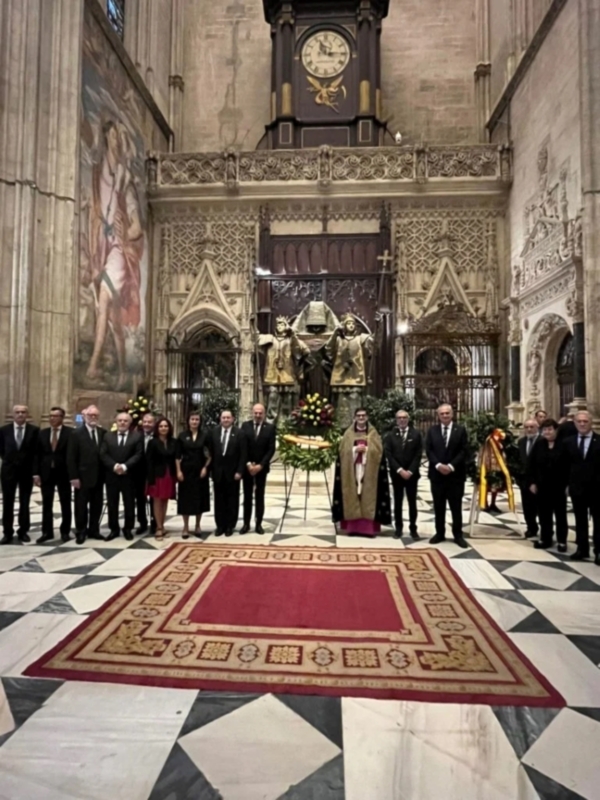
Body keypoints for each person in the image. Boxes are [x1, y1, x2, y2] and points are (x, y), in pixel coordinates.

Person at [332, 408, 391, 536]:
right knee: (353, 495)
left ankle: (368, 529)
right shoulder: (348, 433)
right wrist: (354, 450)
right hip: (352, 469)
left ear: (367, 417)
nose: (361, 418)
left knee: (367, 495)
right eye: (358, 416)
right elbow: (343, 452)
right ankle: (352, 528)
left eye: (363, 415)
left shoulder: (373, 433)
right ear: (354, 418)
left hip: (368, 469)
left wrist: (367, 450)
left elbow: (379, 452)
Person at [425, 404, 469, 548]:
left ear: (452, 414)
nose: (444, 416)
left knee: (456, 507)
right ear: (438, 415)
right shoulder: (432, 431)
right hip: (437, 475)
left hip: (455, 475)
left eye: (447, 413)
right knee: (439, 506)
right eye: (442, 413)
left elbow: (464, 451)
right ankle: (439, 533)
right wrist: (438, 465)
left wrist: (450, 466)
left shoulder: (460, 430)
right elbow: (429, 450)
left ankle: (458, 535)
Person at [563, 411, 600, 564]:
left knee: (599, 521)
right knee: (580, 520)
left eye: (585, 421)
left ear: (591, 422)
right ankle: (582, 549)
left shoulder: (599, 440)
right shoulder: (568, 442)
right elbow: (564, 466)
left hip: (598, 488)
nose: (582, 424)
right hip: (577, 488)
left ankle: (599, 551)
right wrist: (566, 485)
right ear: (575, 423)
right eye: (579, 421)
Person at [100, 412, 143, 541]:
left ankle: (128, 529)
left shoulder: (136, 436)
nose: (122, 423)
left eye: (125, 421)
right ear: (116, 422)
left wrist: (124, 467)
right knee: (112, 503)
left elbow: (138, 454)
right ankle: (114, 529)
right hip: (112, 475)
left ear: (130, 423)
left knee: (129, 503)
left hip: (129, 475)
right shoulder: (107, 436)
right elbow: (103, 454)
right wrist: (114, 466)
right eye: (120, 420)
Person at [527, 419, 568, 551]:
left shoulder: (564, 445)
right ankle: (545, 538)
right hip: (542, 486)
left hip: (559, 486)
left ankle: (562, 541)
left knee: (560, 515)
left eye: (550, 429)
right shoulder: (539, 445)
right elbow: (531, 465)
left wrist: (568, 485)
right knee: (544, 514)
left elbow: (569, 466)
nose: (547, 432)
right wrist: (532, 482)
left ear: (556, 430)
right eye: (544, 429)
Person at [0, 404, 39, 544]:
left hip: (26, 472)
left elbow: (36, 453)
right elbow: (2, 451)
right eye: (18, 412)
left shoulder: (34, 431)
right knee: (7, 502)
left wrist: (35, 473)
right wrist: (10, 461)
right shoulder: (4, 430)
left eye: (23, 412)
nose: (20, 414)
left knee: (25, 502)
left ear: (27, 414)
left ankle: (23, 531)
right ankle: (7, 532)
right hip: (8, 471)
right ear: (13, 414)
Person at [67, 405, 106, 545]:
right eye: (90, 415)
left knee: (97, 505)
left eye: (95, 415)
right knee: (81, 506)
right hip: (82, 478)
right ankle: (81, 531)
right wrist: (73, 477)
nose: (93, 417)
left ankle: (94, 530)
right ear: (84, 417)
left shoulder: (103, 432)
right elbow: (71, 457)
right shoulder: (76, 434)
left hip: (99, 477)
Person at [33, 406, 73, 543]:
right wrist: (36, 473)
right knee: (47, 503)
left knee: (65, 503)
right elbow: (37, 455)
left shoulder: (70, 433)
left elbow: (73, 456)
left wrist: (74, 475)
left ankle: (65, 531)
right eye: (50, 416)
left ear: (62, 418)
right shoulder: (42, 433)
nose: (52, 418)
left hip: (64, 473)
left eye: (55, 416)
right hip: (46, 473)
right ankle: (47, 532)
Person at [207, 409, 246, 536]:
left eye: (228, 418)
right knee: (218, 500)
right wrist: (210, 470)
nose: (226, 420)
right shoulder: (214, 432)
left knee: (232, 500)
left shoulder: (239, 433)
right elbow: (210, 454)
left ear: (233, 419)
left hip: (233, 473)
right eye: (223, 417)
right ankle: (220, 526)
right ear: (220, 419)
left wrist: (240, 471)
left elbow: (243, 454)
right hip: (218, 473)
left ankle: (230, 525)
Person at [384, 409, 422, 540]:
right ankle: (398, 528)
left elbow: (418, 454)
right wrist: (400, 470)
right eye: (399, 417)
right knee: (398, 501)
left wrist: (410, 471)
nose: (402, 420)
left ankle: (413, 528)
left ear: (408, 419)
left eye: (404, 417)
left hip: (412, 475)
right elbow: (388, 454)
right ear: (396, 420)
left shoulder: (416, 434)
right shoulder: (390, 436)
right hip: (397, 475)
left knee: (412, 502)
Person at [240, 403, 276, 534]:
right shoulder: (245, 426)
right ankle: (246, 524)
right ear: (252, 413)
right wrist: (249, 464)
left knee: (260, 496)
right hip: (247, 468)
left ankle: (259, 524)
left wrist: (261, 465)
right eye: (256, 413)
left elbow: (271, 449)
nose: (258, 415)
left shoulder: (270, 428)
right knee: (247, 497)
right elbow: (243, 446)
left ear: (264, 414)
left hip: (262, 468)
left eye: (260, 413)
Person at [175, 410, 211, 539]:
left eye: (197, 419)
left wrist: (205, 468)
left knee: (199, 498)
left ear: (200, 421)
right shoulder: (182, 436)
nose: (195, 421)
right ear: (188, 421)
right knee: (185, 499)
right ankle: (185, 526)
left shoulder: (205, 435)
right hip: (185, 471)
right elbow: (177, 456)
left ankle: (197, 525)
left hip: (200, 471)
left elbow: (209, 454)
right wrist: (178, 471)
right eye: (192, 419)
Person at [146, 417, 178, 540]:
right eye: (161, 426)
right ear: (157, 428)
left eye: (166, 426)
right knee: (157, 501)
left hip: (169, 475)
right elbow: (149, 461)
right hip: (157, 475)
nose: (163, 428)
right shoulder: (152, 442)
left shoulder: (173, 442)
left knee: (165, 500)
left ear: (169, 428)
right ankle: (158, 527)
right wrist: (150, 479)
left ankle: (162, 525)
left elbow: (176, 458)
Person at [517, 418, 540, 539]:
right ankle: (531, 527)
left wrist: (535, 481)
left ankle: (547, 531)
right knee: (527, 507)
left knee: (541, 507)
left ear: (537, 427)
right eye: (527, 427)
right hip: (524, 481)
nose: (529, 429)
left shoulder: (542, 441)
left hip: (539, 481)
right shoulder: (521, 442)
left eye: (532, 427)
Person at [133, 412, 155, 535]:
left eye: (149, 422)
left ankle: (155, 522)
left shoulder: (158, 436)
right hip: (139, 472)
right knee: (140, 499)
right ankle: (142, 523)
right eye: (145, 422)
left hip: (154, 473)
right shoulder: (136, 436)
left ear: (154, 423)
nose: (147, 424)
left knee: (154, 499)